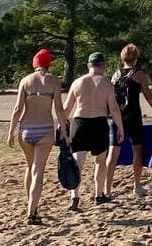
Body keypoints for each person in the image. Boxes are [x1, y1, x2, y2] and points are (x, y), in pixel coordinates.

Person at [7, 48, 67, 224]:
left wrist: (11, 131)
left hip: (26, 129)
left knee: (29, 166)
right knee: (38, 170)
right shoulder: (53, 81)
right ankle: (32, 212)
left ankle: (31, 205)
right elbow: (59, 109)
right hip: (45, 129)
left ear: (34, 64)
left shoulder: (25, 81)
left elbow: (18, 109)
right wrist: (64, 129)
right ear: (48, 64)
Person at [64, 51, 125, 209]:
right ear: (102, 65)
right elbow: (114, 108)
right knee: (100, 160)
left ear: (88, 65)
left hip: (80, 122)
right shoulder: (106, 83)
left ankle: (74, 195)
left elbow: (67, 107)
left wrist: (61, 125)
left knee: (78, 162)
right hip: (99, 123)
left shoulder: (78, 82)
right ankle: (98, 194)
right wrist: (120, 127)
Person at [106, 42, 152, 199]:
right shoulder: (139, 74)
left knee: (113, 151)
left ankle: (107, 189)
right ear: (136, 58)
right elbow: (148, 96)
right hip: (133, 116)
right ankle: (137, 186)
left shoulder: (115, 74)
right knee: (137, 150)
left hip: (116, 117)